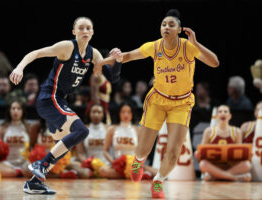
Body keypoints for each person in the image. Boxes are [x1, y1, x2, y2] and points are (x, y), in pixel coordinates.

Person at [95, 9, 219, 198]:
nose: (166, 27)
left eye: (171, 25)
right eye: (163, 24)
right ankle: (138, 161)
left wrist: (197, 43)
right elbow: (127, 56)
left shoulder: (188, 47)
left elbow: (214, 62)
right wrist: (105, 61)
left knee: (174, 151)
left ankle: (158, 181)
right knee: (144, 148)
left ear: (179, 29)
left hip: (182, 103)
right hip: (158, 100)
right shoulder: (154, 46)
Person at [9, 16, 123, 194]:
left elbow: (113, 78)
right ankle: (41, 164)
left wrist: (118, 62)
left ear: (92, 32)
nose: (85, 31)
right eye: (81, 28)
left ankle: (34, 183)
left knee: (62, 147)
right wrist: (19, 67)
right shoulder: (67, 47)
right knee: (82, 131)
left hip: (60, 100)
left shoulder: (94, 54)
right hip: (49, 98)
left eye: (88, 28)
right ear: (74, 32)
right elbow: (37, 53)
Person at [195, 105, 251, 182]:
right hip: (214, 166)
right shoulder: (209, 131)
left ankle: (216, 177)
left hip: (231, 166)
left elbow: (239, 153)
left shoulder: (236, 131)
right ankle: (234, 178)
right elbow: (201, 150)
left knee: (247, 164)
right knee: (203, 164)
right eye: (220, 111)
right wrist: (198, 153)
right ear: (217, 116)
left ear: (230, 116)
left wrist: (247, 154)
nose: (223, 113)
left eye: (225, 111)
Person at [99, 102, 141, 178]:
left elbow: (143, 151)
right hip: (117, 164)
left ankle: (127, 174)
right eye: (123, 112)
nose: (126, 114)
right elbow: (105, 150)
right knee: (102, 170)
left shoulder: (138, 130)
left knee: (153, 171)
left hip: (133, 164)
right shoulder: (112, 129)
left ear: (132, 114)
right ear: (119, 113)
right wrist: (114, 162)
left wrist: (137, 163)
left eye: (128, 112)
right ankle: (129, 175)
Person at [0, 100, 31, 177]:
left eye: (19, 108)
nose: (16, 111)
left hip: (25, 163)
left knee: (37, 169)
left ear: (22, 111)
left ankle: (18, 172)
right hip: (7, 163)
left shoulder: (28, 127)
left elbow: (33, 147)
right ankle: (17, 172)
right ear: (9, 110)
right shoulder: (2, 128)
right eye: (13, 108)